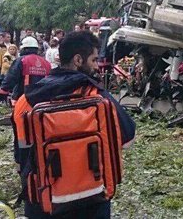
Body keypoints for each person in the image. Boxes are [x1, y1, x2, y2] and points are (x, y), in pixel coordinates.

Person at [13, 31, 136, 218]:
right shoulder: (98, 96)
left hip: (44, 201)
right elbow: (128, 139)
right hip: (92, 200)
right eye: (94, 60)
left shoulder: (26, 100)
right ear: (78, 60)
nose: (97, 66)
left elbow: (21, 157)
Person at [0, 36, 51, 105]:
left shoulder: (22, 60)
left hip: (23, 99)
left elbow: (11, 77)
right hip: (41, 101)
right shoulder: (46, 63)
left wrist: (2, 92)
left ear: (24, 49)